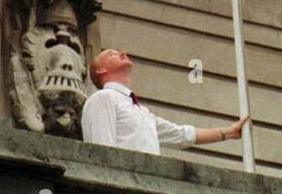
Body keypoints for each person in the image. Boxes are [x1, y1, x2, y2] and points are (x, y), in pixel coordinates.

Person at [81, 48, 249, 154]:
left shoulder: (142, 112)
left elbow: (181, 135)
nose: (123, 53)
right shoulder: (102, 99)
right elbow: (101, 153)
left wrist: (229, 132)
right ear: (100, 70)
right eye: (112, 54)